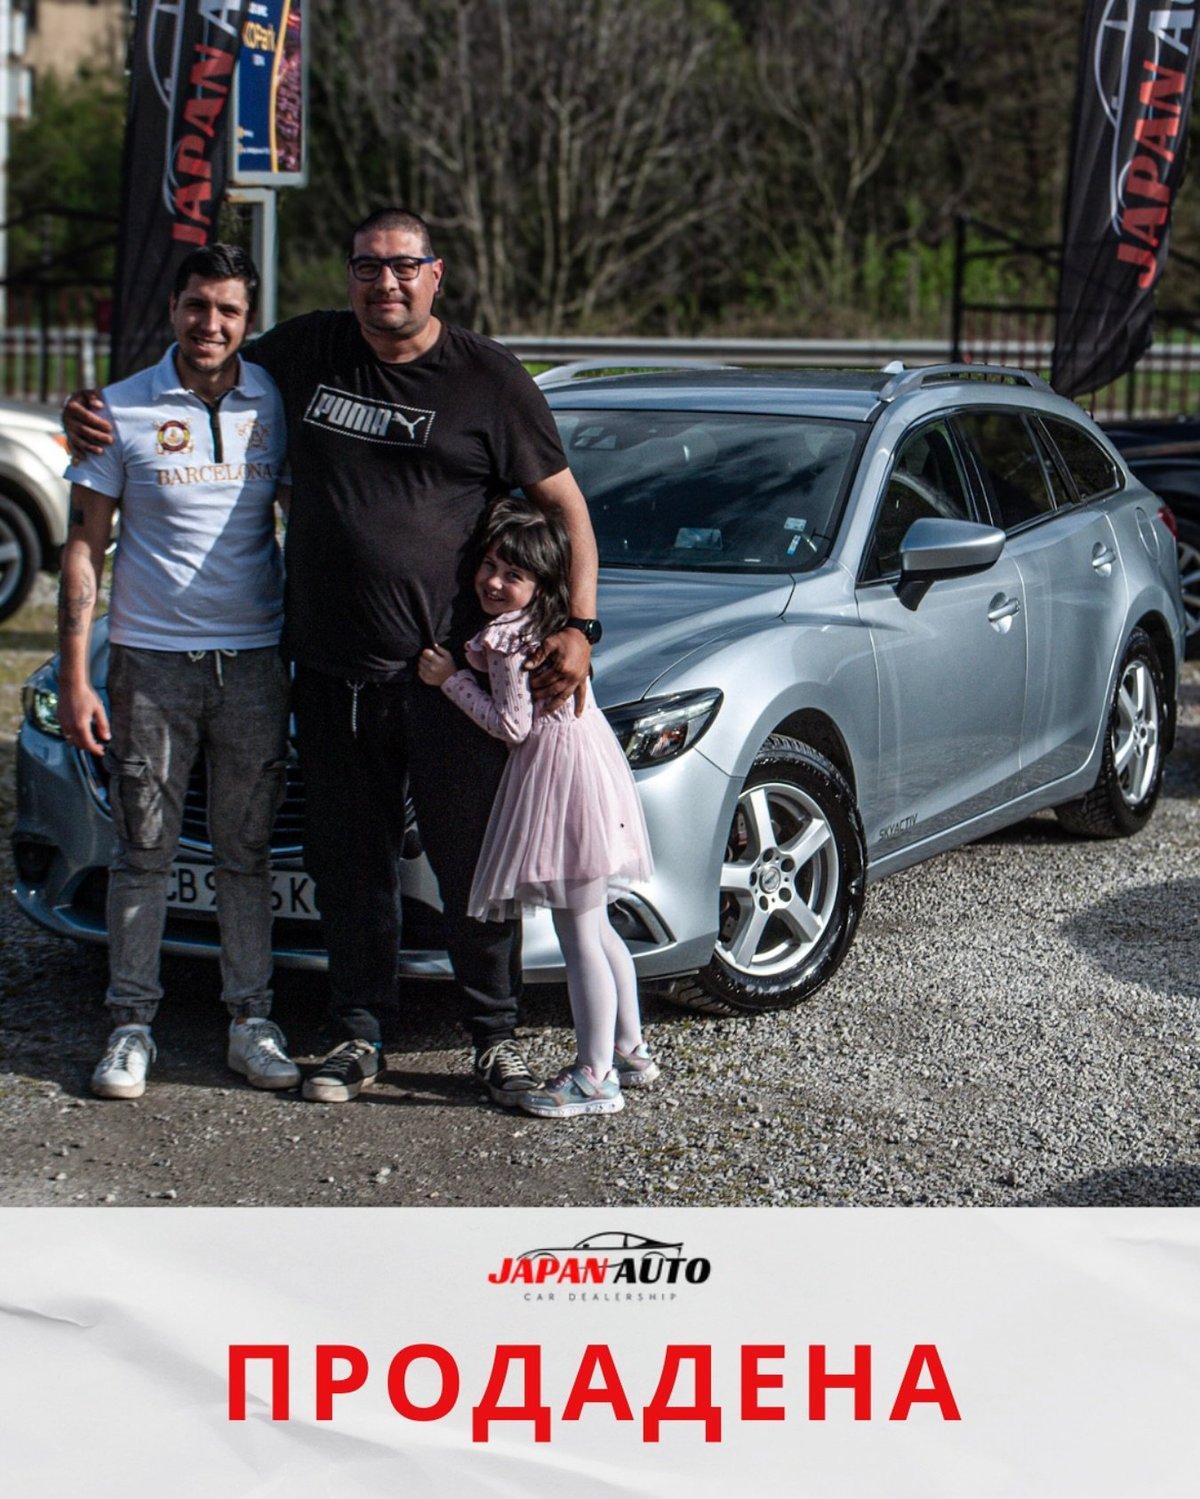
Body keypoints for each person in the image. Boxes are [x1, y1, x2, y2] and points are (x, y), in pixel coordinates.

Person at [66, 208, 598, 1108]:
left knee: (471, 865)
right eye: (366, 268)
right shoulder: (308, 353)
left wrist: (580, 626)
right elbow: (205, 355)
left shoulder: (489, 378)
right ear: (347, 275)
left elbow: (568, 512)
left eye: (401, 268)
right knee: (349, 863)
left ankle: (494, 1038)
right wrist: (98, 408)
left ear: (436, 273)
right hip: (327, 669)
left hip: (450, 677)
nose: (383, 285)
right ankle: (358, 1032)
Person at [58, 243, 297, 1100]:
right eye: (198, 306)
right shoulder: (118, 410)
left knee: (246, 851)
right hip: (149, 666)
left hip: (255, 664)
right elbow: (84, 547)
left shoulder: (276, 399)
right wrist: (79, 675)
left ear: (247, 318)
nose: (212, 325)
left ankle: (251, 1019)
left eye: (229, 311)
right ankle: (130, 1026)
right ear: (174, 309)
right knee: (143, 850)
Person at [419, 497, 656, 1118]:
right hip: (590, 769)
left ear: (543, 582)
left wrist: (450, 680)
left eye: (513, 574)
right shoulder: (554, 628)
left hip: (556, 780)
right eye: (490, 565)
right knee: (596, 924)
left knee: (579, 934)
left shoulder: (504, 639)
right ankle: (630, 1048)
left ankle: (594, 1074)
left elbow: (512, 726)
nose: (494, 582)